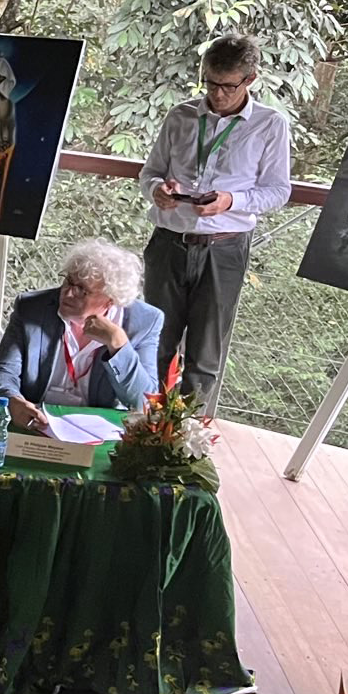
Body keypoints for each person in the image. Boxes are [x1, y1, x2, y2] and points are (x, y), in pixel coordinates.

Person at [139, 31, 292, 416]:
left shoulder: (270, 124)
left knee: (205, 353)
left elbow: (278, 191)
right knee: (155, 341)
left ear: (250, 80)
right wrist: (159, 189)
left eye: (227, 86)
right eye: (210, 83)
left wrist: (231, 201)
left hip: (224, 246)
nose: (218, 94)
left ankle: (183, 439)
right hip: (169, 241)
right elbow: (150, 173)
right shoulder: (182, 115)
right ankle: (142, 428)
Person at [0, 240, 164, 431]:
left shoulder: (145, 321)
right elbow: (2, 371)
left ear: (110, 300)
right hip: (38, 423)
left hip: (99, 433)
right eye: (68, 281)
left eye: (81, 290)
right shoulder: (33, 308)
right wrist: (12, 400)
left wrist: (118, 346)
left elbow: (145, 403)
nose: (68, 293)